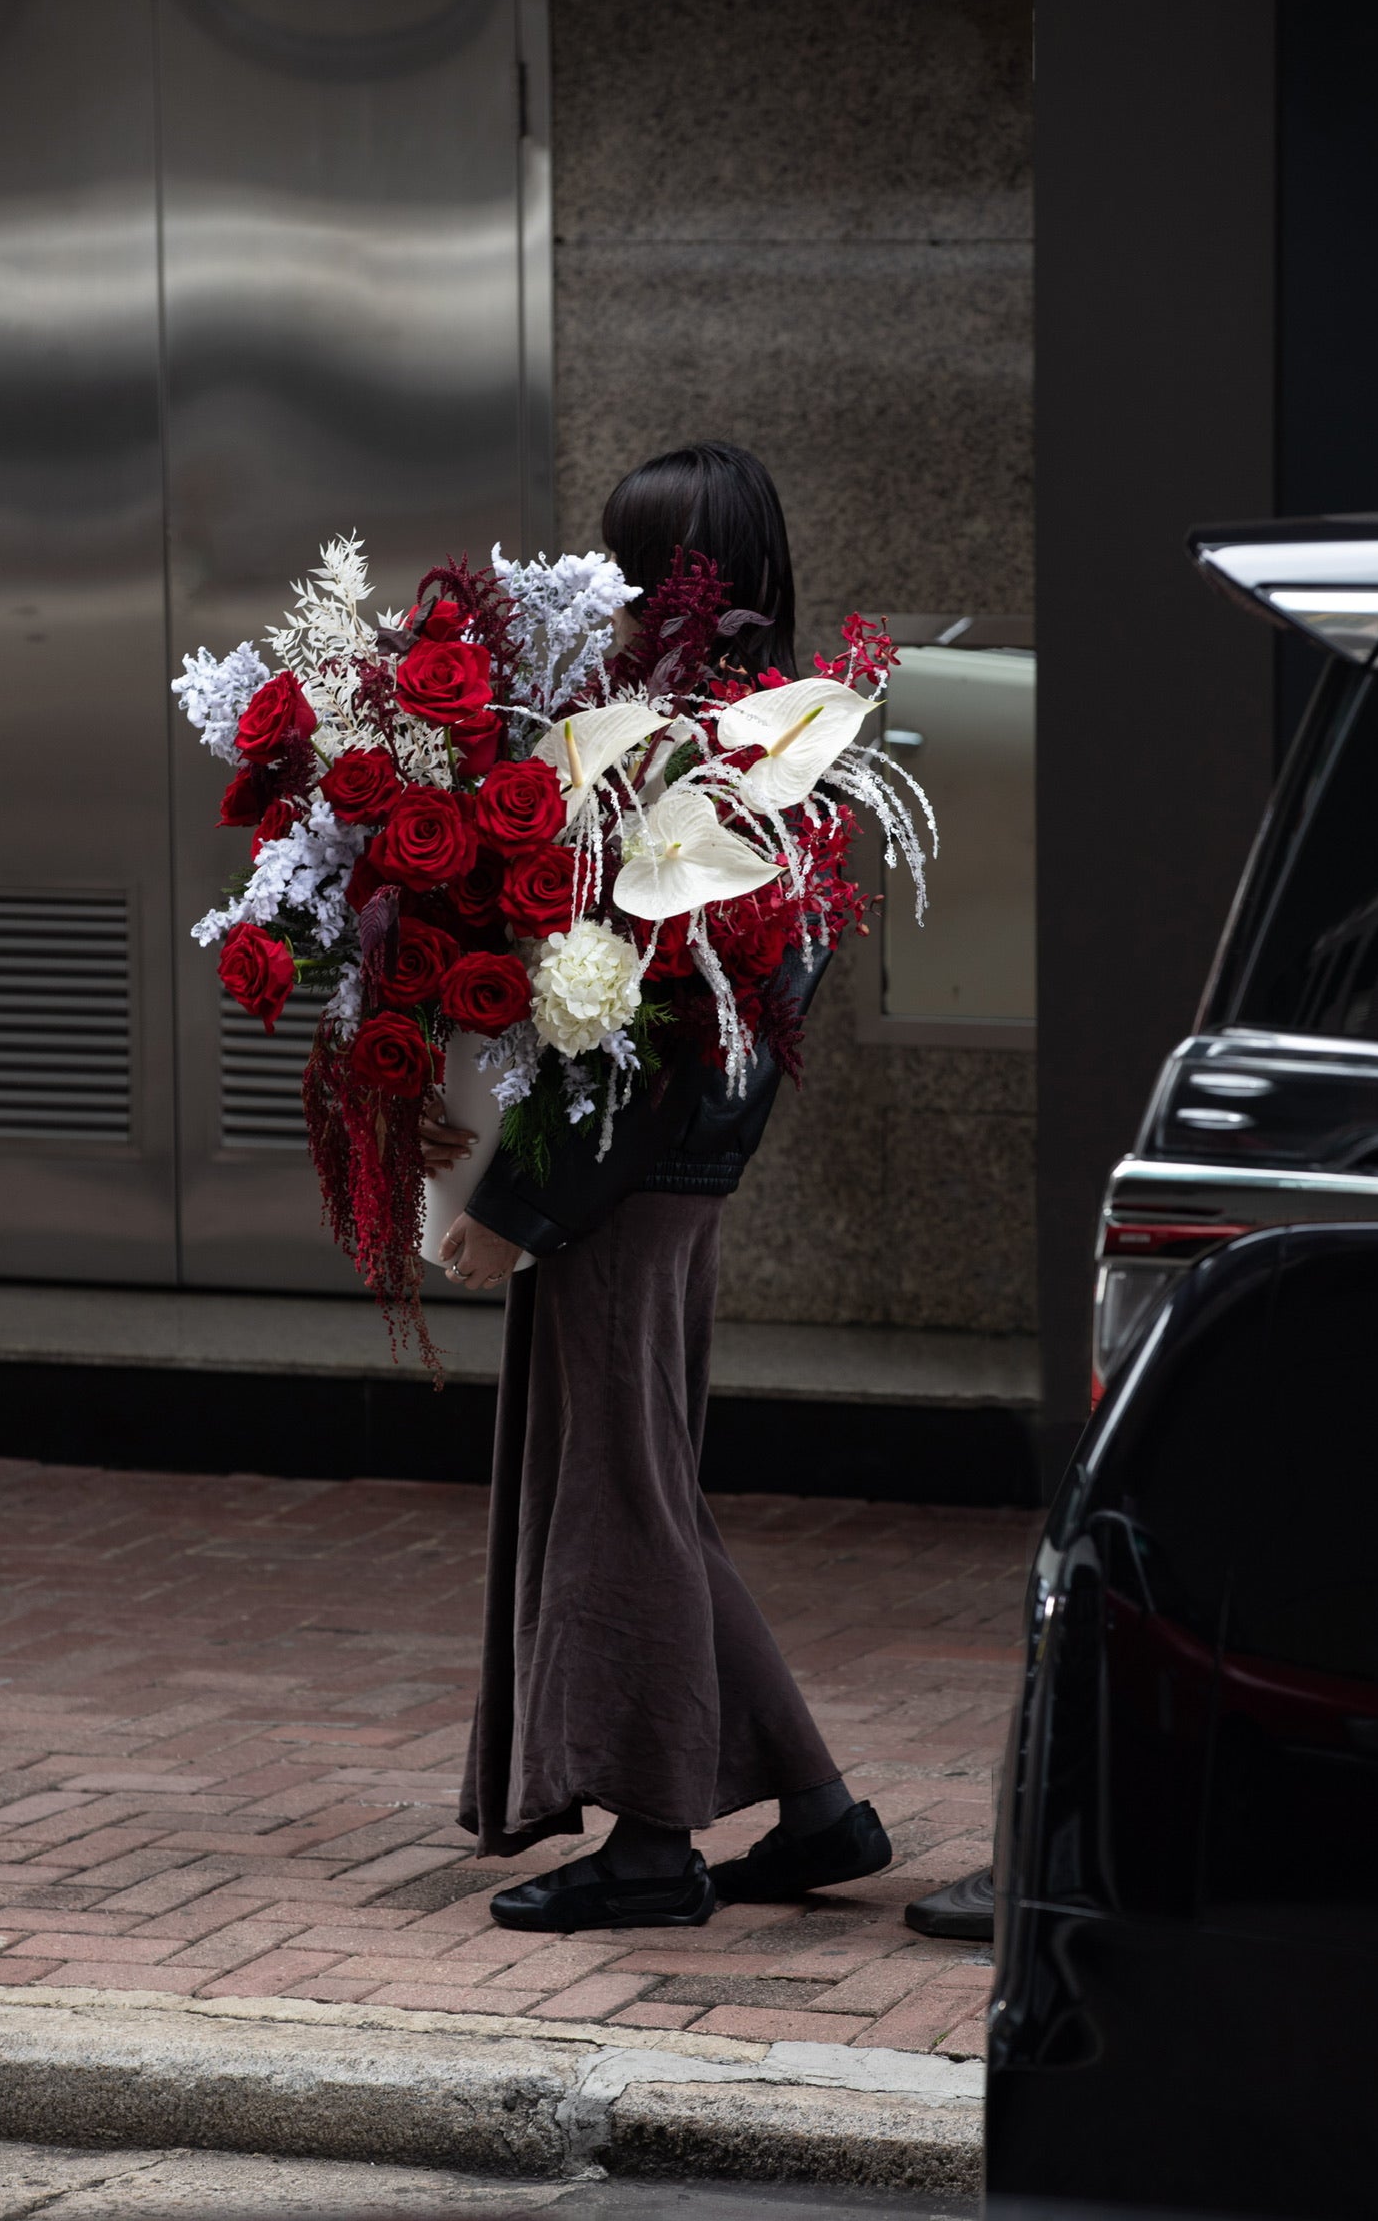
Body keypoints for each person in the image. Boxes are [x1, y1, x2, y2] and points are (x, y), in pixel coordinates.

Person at [427, 441, 892, 1933]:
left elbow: (644, 1031)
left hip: (635, 1182)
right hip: (673, 1180)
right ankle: (815, 1810)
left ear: (705, 575)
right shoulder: (782, 735)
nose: (621, 591)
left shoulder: (724, 748)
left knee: (620, 1502)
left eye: (642, 562)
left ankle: (650, 1848)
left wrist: (520, 1209)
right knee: (650, 1493)